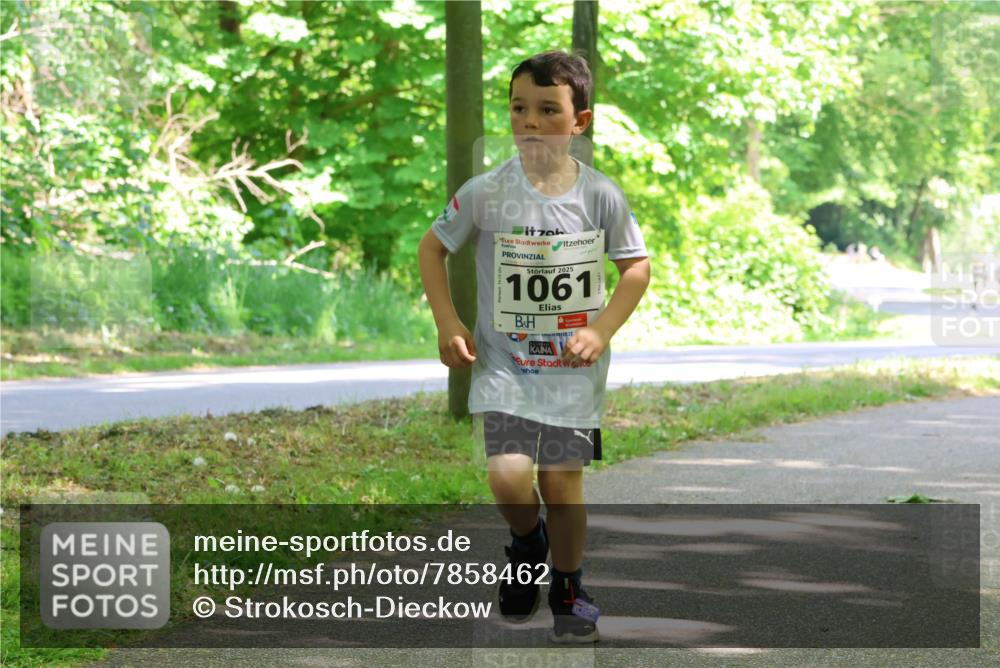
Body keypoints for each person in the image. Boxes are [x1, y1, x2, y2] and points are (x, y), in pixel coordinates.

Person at [417, 51, 650, 644]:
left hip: (572, 369)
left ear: (580, 122)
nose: (530, 121)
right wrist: (449, 321)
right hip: (506, 366)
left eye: (549, 110)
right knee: (508, 479)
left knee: (562, 482)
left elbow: (635, 269)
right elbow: (432, 248)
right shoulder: (488, 190)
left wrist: (600, 330)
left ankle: (570, 588)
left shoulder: (600, 196)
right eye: (519, 109)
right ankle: (527, 543)